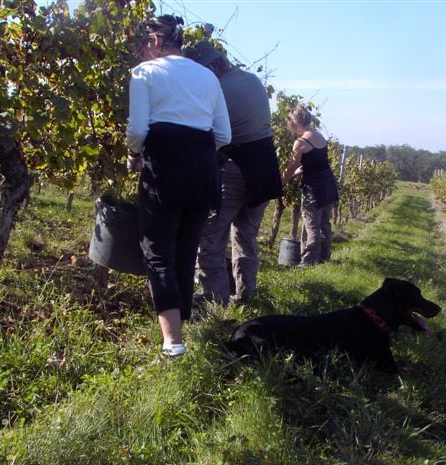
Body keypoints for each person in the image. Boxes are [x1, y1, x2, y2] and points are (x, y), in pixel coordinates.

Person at [126, 16, 231, 356]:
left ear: (155, 41)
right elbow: (224, 135)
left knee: (157, 253)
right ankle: (180, 332)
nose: (143, 51)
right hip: (203, 173)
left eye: (145, 44)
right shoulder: (208, 76)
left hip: (164, 172)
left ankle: (173, 345)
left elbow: (138, 130)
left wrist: (135, 154)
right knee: (186, 253)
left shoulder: (145, 73)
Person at [184, 41, 283, 305]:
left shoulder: (218, 90)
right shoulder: (251, 80)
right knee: (246, 237)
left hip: (237, 167)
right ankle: (246, 295)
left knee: (210, 235)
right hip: (264, 169)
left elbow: (206, 136)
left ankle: (213, 299)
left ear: (214, 64)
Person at [282, 104, 339, 266]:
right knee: (324, 223)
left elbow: (292, 166)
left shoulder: (300, 143)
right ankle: (324, 257)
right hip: (328, 184)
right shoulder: (319, 136)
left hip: (313, 188)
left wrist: (281, 182)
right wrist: (296, 174)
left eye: (292, 127)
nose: (293, 130)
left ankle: (308, 262)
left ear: (296, 124)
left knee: (311, 225)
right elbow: (315, 163)